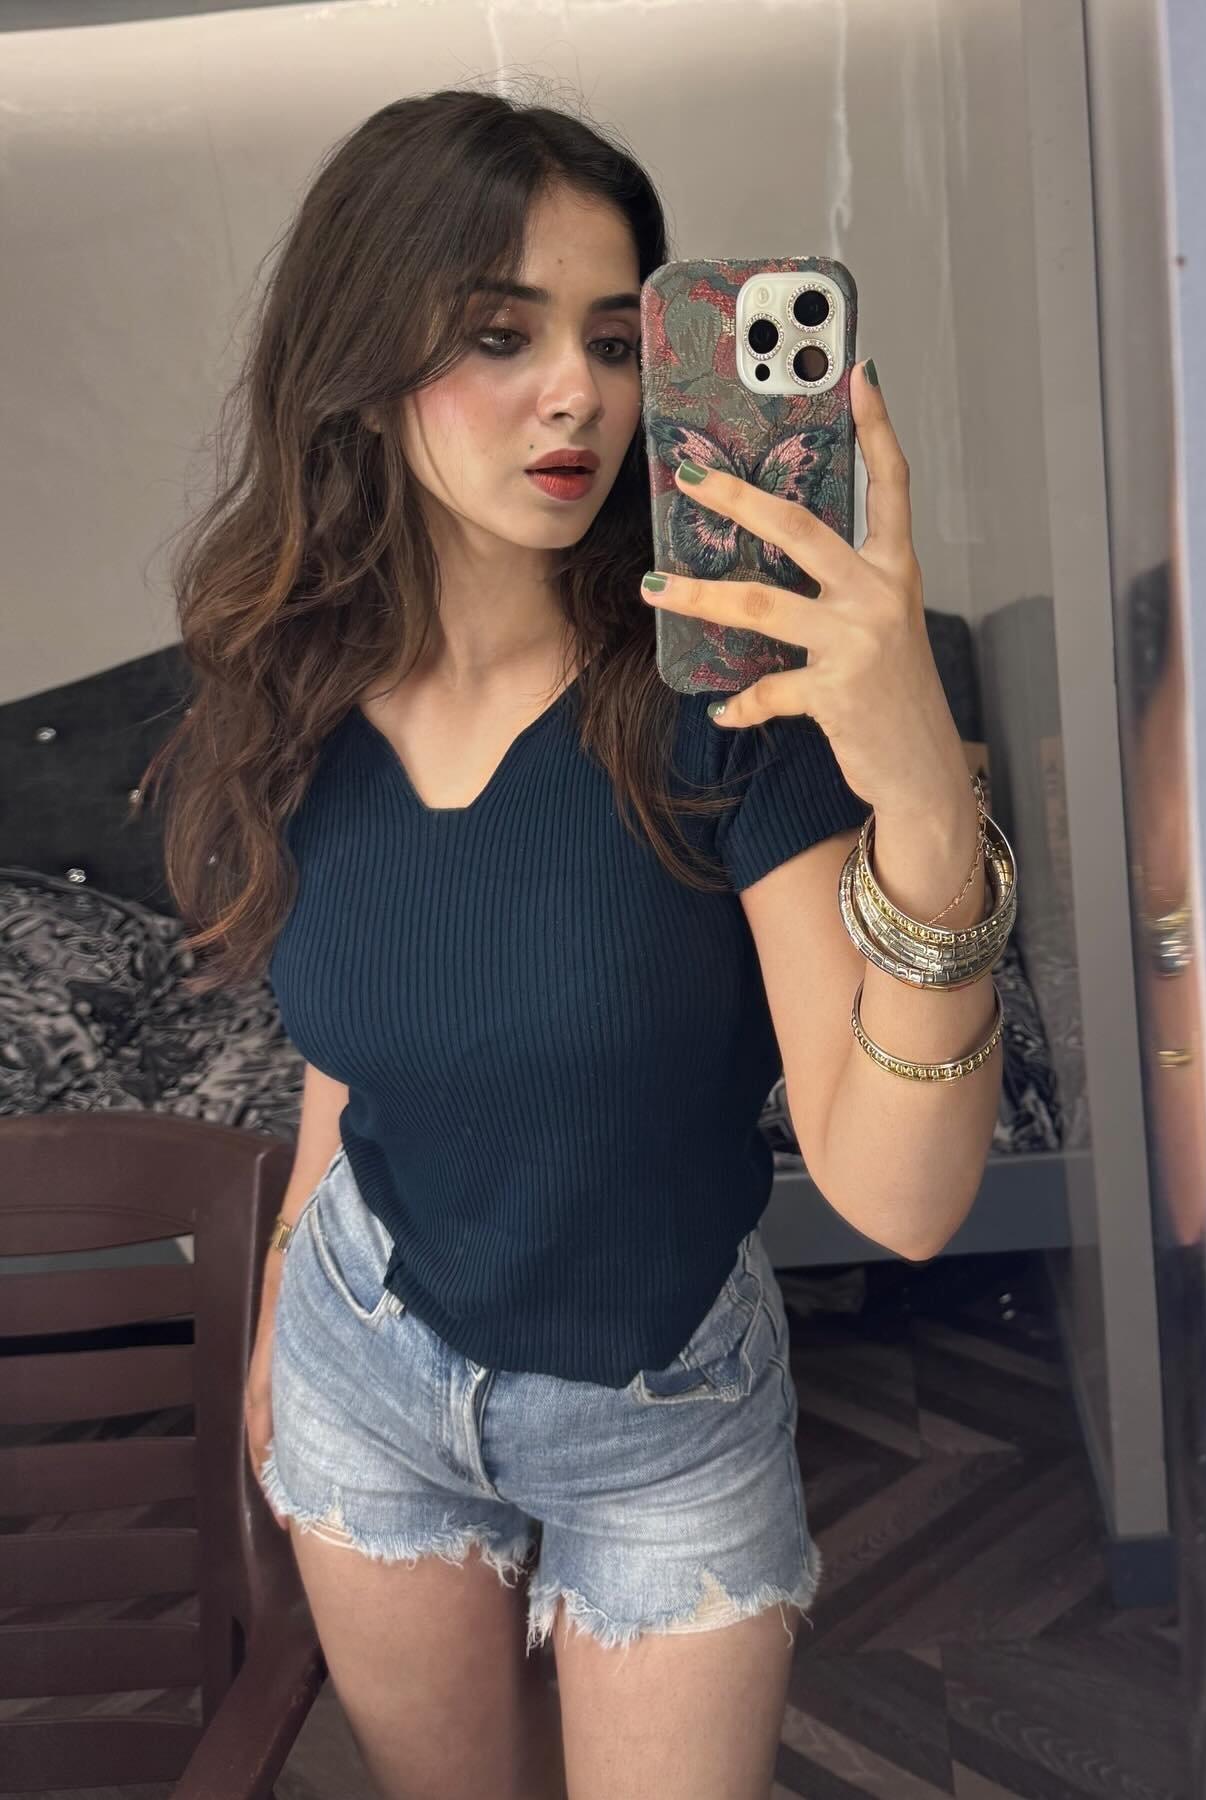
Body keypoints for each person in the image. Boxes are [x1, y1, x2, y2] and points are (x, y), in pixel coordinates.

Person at [145, 82, 1010, 1800]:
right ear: (360, 362)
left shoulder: (725, 704)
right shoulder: (288, 693)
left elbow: (903, 1202)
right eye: (501, 333)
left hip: (661, 1409)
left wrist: (919, 787)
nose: (581, 395)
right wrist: (285, 1286)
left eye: (619, 341)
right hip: (363, 1364)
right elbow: (358, 1047)